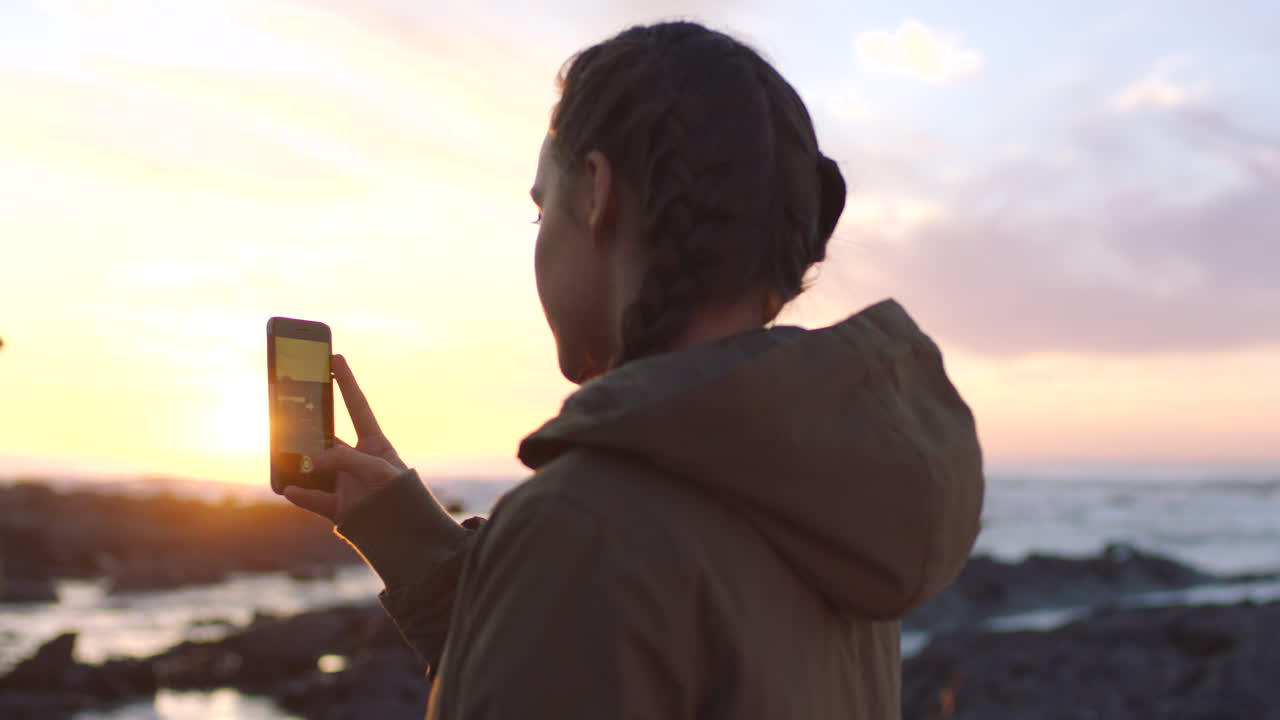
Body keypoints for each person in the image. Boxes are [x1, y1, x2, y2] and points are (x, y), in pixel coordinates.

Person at [285, 21, 984, 719]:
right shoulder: (835, 491)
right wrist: (407, 535)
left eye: (541, 210)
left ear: (595, 193)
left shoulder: (583, 528)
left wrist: (534, 560)